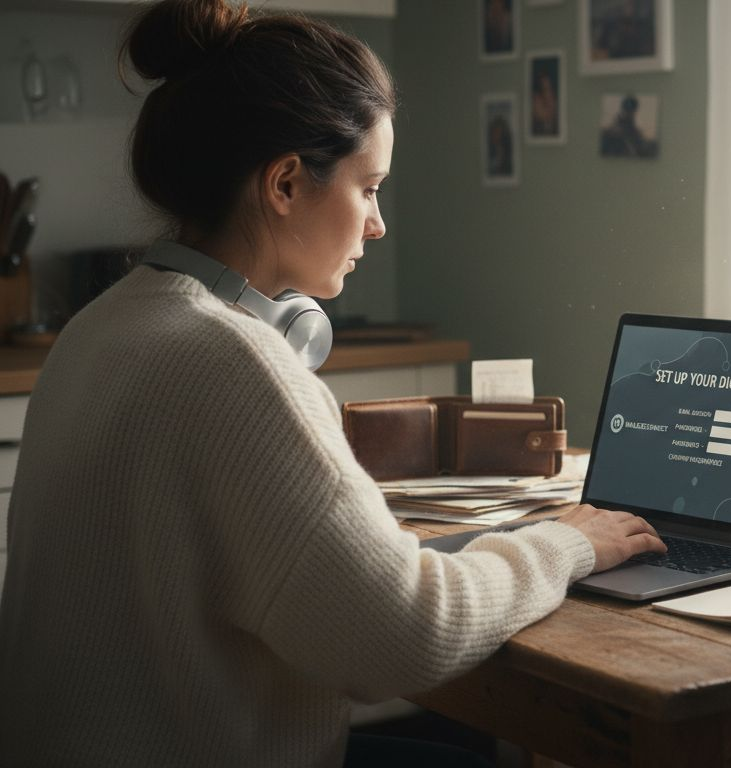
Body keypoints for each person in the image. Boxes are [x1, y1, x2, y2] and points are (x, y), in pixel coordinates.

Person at [0, 1, 664, 765]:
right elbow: (408, 638)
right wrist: (566, 543)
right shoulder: (235, 362)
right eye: (368, 186)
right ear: (285, 183)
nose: (378, 224)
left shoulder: (102, 327)